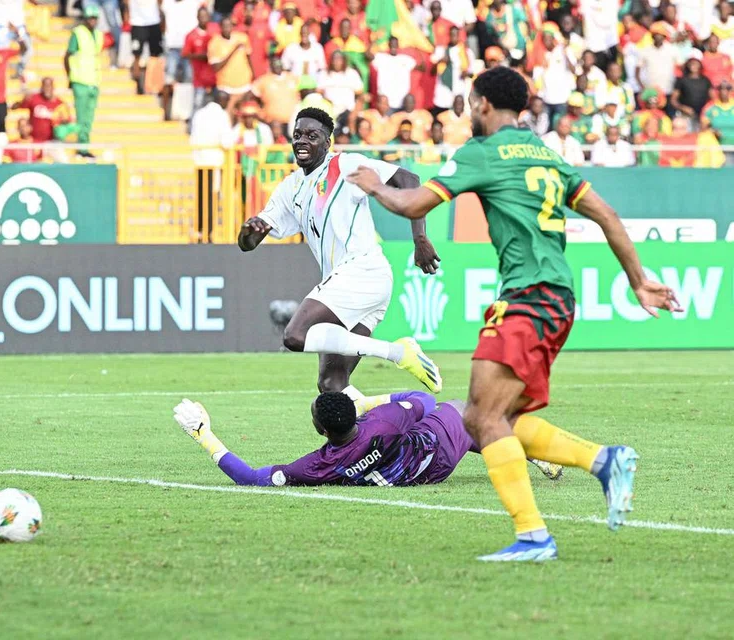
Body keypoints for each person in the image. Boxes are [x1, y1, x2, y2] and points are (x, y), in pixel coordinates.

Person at [346, 65, 682, 562]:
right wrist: (638, 281)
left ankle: (534, 535)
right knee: (496, 417)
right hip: (557, 299)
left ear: (482, 105)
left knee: (480, 417)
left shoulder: (483, 152)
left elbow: (414, 203)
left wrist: (374, 185)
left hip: (529, 297)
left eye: (469, 102)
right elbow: (607, 215)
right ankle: (603, 461)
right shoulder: (545, 154)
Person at [237, 107, 443, 402]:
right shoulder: (291, 187)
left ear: (327, 142)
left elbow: (408, 179)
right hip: (353, 284)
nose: (302, 141)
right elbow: (249, 242)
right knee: (332, 385)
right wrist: (250, 230)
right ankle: (399, 421)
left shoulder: (345, 165)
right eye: (297, 135)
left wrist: (420, 237)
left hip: (362, 271)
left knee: (295, 336)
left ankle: (399, 352)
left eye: (312, 135)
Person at [173, 391, 475, 487]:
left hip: (421, 478)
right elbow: (425, 399)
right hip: (434, 449)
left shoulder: (318, 466)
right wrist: (368, 402)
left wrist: (205, 436)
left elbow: (250, 478)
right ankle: (521, 449)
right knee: (463, 409)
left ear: (322, 431)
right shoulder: (384, 421)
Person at [190, 91, 233, 241]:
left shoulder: (199, 114)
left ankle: (200, 230)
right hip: (214, 162)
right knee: (212, 197)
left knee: (202, 195)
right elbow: (227, 142)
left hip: (199, 161)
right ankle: (208, 231)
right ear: (223, 100)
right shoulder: (222, 116)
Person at [64, 5, 104, 156]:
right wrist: (70, 76)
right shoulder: (78, 33)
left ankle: (85, 145)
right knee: (81, 117)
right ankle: (82, 147)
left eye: (95, 18)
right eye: (90, 18)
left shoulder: (99, 35)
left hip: (94, 81)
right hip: (80, 80)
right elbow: (67, 56)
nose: (93, 21)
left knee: (89, 118)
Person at [161, 0, 202, 119]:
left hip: (189, 48)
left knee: (189, 81)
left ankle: (186, 112)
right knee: (168, 80)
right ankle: (166, 112)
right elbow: (162, 18)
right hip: (172, 47)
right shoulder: (167, 2)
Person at [207, 17, 253, 119]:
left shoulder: (243, 38)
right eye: (224, 26)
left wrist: (252, 76)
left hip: (243, 84)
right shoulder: (214, 43)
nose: (227, 28)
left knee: (243, 116)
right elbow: (216, 67)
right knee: (227, 117)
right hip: (226, 86)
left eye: (229, 26)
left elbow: (249, 58)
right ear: (220, 27)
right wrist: (233, 50)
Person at [0, 0, 37, 82]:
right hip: (2, 25)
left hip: (19, 25)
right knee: (0, 53)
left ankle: (19, 71)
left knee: (28, 50)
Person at [181, 6, 218, 124]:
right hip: (200, 78)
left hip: (216, 77)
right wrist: (202, 56)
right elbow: (186, 54)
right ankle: (192, 130)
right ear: (197, 17)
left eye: (206, 16)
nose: (204, 19)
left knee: (216, 108)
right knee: (197, 105)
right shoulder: (191, 35)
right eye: (201, 16)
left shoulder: (215, 30)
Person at [252, 56, 299, 129]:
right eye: (274, 64)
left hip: (292, 122)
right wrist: (260, 112)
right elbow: (253, 95)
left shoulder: (293, 78)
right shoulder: (263, 80)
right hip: (272, 122)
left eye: (278, 64)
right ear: (271, 66)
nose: (277, 67)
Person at [371, 37, 416, 111]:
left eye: (395, 45)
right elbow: (368, 55)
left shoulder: (406, 59)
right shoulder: (381, 58)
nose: (393, 47)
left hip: (403, 103)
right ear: (388, 45)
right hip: (386, 104)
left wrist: (418, 47)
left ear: (398, 45)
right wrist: (374, 40)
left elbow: (422, 67)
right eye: (391, 44)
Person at [638, 22, 679, 96]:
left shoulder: (672, 50)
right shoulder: (645, 51)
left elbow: (679, 68)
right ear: (652, 36)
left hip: (668, 89)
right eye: (656, 35)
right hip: (651, 91)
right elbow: (638, 71)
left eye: (661, 35)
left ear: (664, 36)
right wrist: (642, 87)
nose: (658, 37)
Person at [129, 0, 163, 89]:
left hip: (153, 21)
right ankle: (137, 84)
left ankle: (154, 84)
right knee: (137, 55)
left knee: (155, 55)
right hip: (137, 22)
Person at [702, 79, 734, 164]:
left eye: (727, 89)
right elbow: (703, 128)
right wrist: (713, 131)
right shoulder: (711, 108)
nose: (724, 92)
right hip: (721, 147)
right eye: (721, 89)